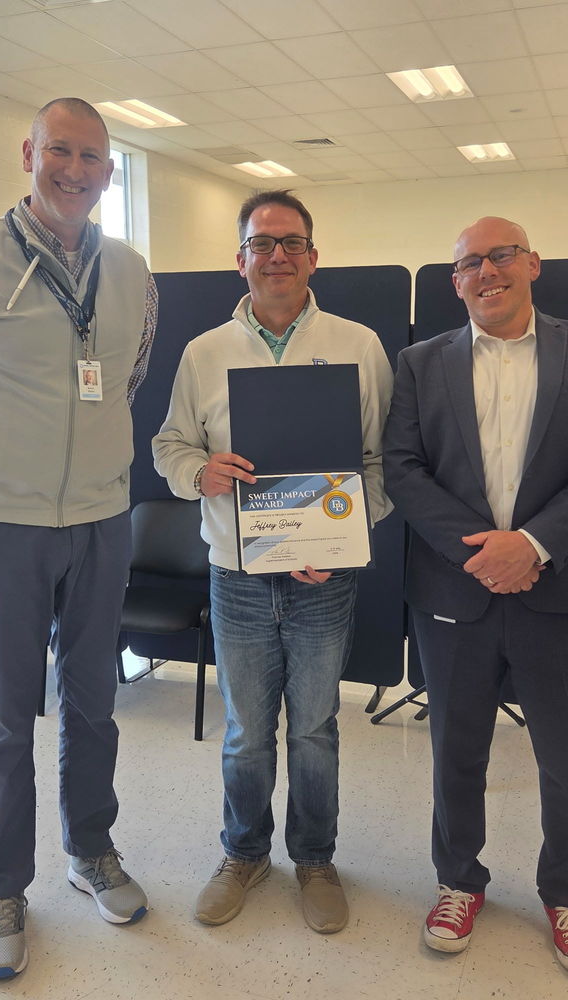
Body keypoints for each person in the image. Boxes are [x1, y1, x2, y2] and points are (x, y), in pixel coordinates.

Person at [0, 98, 157, 981]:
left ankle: (92, 849)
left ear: (109, 173)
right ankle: (3, 887)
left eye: (92, 157)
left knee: (93, 701)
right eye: (60, 151)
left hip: (99, 518)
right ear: (29, 154)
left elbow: (127, 377)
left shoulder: (131, 270)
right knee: (6, 717)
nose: (75, 170)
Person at [382, 216, 568, 976]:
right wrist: (485, 552)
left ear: (532, 264)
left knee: (565, 758)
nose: (486, 271)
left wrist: (529, 546)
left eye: (501, 256)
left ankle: (567, 896)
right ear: (454, 279)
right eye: (469, 263)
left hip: (562, 587)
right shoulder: (420, 362)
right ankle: (459, 881)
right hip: (453, 591)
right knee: (454, 750)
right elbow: (402, 469)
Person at [152, 190, 393, 934]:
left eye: (291, 243)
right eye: (263, 244)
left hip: (326, 581)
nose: (277, 256)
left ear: (313, 256)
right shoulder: (205, 352)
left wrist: (344, 535)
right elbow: (169, 447)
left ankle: (315, 859)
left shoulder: (359, 344)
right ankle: (244, 853)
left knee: (315, 729)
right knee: (246, 733)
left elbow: (381, 464)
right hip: (237, 576)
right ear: (242, 259)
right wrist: (202, 473)